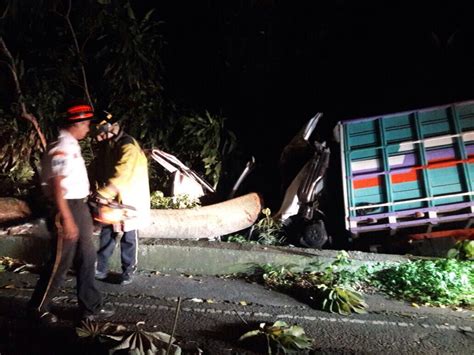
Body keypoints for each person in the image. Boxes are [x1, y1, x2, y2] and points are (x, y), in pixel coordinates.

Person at [28, 99, 114, 324]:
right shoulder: (62, 147)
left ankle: (91, 307)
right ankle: (38, 308)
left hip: (78, 205)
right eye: (86, 124)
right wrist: (67, 218)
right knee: (60, 261)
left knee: (87, 256)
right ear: (77, 123)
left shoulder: (72, 144)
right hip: (66, 206)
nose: (88, 128)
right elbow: (57, 183)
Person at [89, 112, 150, 286]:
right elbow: (98, 166)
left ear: (111, 127)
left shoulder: (128, 146)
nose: (99, 138)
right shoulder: (110, 145)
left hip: (130, 198)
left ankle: (128, 271)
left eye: (101, 133)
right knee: (107, 232)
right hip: (114, 198)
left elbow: (122, 174)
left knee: (129, 236)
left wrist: (103, 193)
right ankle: (100, 268)